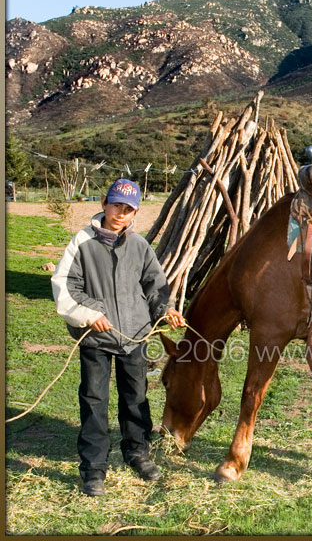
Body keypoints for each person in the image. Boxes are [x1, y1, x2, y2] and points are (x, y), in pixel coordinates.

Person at [51, 178, 185, 496]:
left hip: (133, 336)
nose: (120, 214)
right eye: (116, 206)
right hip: (95, 337)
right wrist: (89, 315)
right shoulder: (81, 243)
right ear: (103, 203)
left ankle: (138, 452)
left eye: (128, 209)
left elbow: (155, 285)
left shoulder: (139, 246)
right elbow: (64, 286)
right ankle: (94, 468)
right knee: (94, 400)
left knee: (135, 398)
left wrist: (166, 310)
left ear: (134, 212)